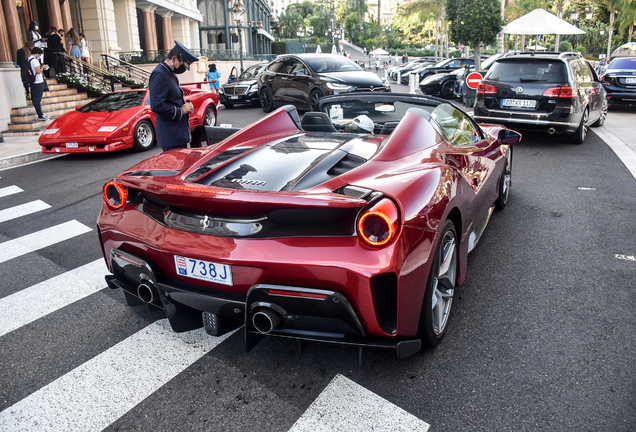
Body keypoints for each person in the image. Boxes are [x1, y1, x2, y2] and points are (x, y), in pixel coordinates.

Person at [149, 40, 198, 151]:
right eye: (183, 64)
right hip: (171, 136)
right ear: (174, 58)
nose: (183, 68)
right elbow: (157, 105)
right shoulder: (160, 74)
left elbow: (172, 99)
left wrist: (186, 106)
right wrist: (181, 111)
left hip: (177, 135)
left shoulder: (169, 73)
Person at [28, 47, 50, 121]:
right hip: (38, 81)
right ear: (37, 53)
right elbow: (38, 71)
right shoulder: (34, 61)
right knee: (37, 99)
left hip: (32, 81)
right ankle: (40, 114)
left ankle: (39, 113)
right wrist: (43, 68)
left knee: (35, 99)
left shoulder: (29, 59)